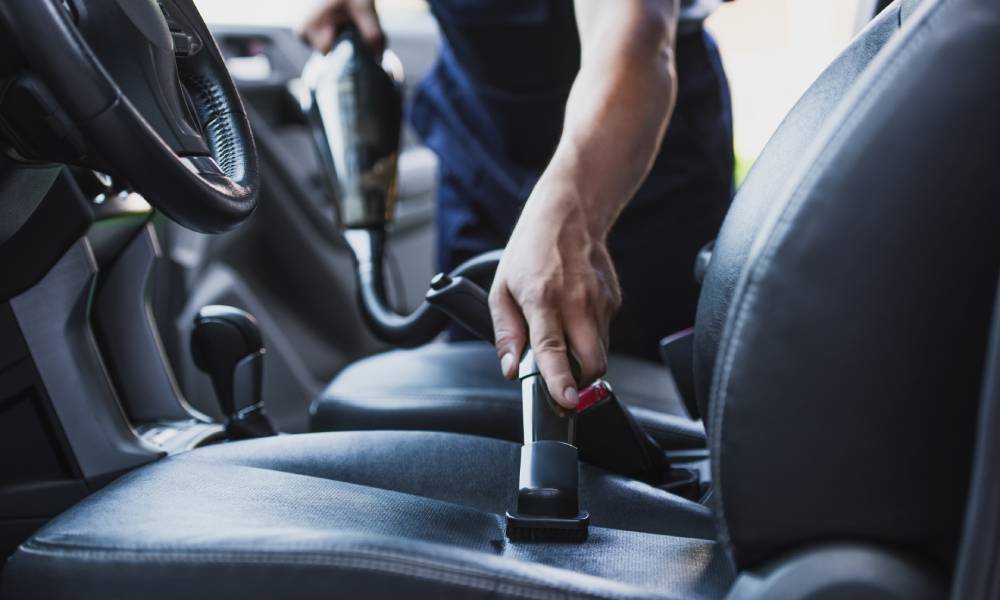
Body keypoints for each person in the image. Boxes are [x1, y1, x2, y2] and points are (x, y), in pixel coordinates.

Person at [303, 0, 733, 411]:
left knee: (667, 402)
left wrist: (573, 216)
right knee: (483, 382)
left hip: (638, 156)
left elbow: (634, 34)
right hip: (480, 138)